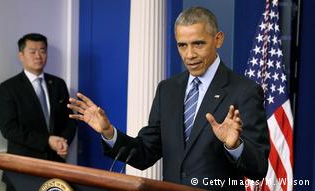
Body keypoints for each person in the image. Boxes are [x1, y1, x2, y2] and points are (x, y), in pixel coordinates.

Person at [67, 7, 270, 191]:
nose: (189, 54)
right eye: (182, 45)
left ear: (218, 39)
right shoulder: (168, 89)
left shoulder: (245, 91)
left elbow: (259, 167)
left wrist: (234, 146)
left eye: (198, 44)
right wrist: (109, 132)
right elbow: (146, 152)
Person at [0, 33, 76, 191]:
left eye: (42, 51)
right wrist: (47, 141)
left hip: (56, 167)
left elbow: (70, 120)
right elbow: (9, 129)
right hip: (23, 169)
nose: (38, 56)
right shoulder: (8, 88)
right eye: (32, 51)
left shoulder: (58, 84)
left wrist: (63, 141)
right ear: (21, 55)